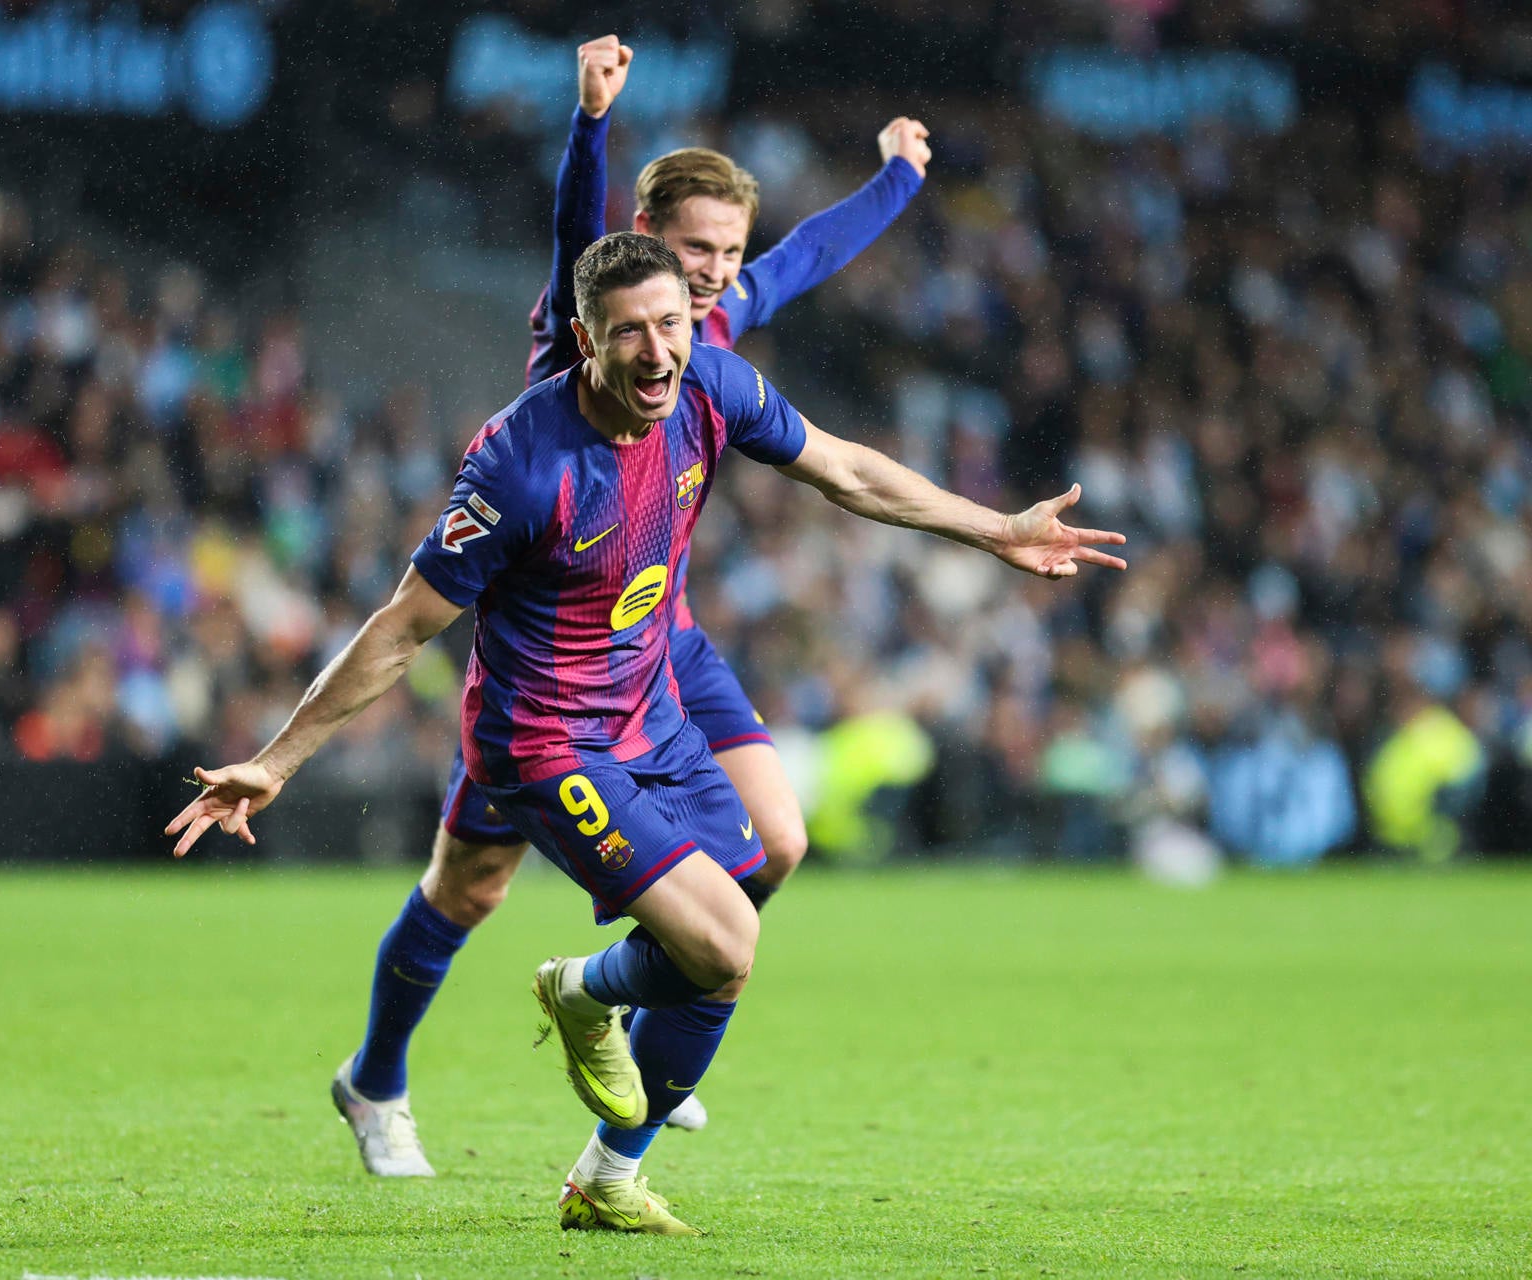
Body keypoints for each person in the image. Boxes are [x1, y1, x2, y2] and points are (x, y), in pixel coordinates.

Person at [168, 233, 1124, 1234]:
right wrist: (277, 759)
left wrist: (997, 528)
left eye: (672, 324)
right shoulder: (517, 464)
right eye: (631, 332)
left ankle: (606, 1167)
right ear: (586, 340)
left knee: (736, 919)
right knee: (699, 934)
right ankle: (534, 1015)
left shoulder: (712, 385)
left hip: (651, 713)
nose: (660, 350)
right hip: (542, 739)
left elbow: (847, 471)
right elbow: (404, 626)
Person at [330, 33, 933, 1176]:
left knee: (777, 842)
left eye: (727, 253)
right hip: (546, 668)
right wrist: (590, 121)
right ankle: (377, 1078)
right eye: (695, 249)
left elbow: (808, 254)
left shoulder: (716, 327)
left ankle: (636, 1014)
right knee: (469, 885)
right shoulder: (594, 322)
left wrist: (897, 177)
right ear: (645, 241)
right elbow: (575, 227)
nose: (712, 272)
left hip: (663, 649)